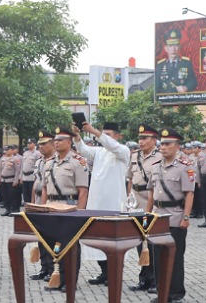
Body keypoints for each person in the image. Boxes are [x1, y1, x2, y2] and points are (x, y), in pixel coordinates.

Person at [71, 121, 130, 286]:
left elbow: (111, 145)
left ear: (118, 136)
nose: (104, 138)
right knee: (97, 240)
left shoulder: (123, 151)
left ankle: (115, 274)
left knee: (113, 241)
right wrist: (77, 135)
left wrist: (95, 132)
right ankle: (104, 272)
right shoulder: (98, 152)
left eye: (109, 135)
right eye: (104, 134)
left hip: (113, 204)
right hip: (97, 203)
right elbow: (83, 150)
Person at [146, 128, 195, 303]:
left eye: (167, 144)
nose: (163, 147)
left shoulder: (184, 167)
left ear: (177, 147)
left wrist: (186, 217)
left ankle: (176, 293)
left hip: (175, 216)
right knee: (158, 256)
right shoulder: (156, 166)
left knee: (175, 256)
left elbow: (189, 194)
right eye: (162, 144)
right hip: (157, 217)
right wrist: (148, 214)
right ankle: (162, 292)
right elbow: (151, 194)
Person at [41, 126, 89, 292]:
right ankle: (58, 277)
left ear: (69, 142)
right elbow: (45, 189)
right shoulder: (49, 163)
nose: (56, 143)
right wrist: (42, 209)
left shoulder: (78, 162)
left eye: (60, 140)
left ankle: (70, 281)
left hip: (70, 208)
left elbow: (83, 191)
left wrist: (80, 215)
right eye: (55, 140)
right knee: (56, 246)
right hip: (52, 208)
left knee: (70, 246)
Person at [126, 124, 161, 292]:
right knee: (140, 241)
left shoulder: (160, 156)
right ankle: (144, 278)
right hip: (137, 201)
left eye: (145, 138)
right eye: (139, 138)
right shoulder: (134, 156)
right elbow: (130, 179)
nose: (141, 142)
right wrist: (129, 198)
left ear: (154, 140)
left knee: (152, 242)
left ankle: (155, 279)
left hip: (151, 200)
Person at [30, 130, 56, 281]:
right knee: (41, 237)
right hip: (39, 201)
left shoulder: (54, 161)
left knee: (51, 238)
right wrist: (33, 203)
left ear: (52, 144)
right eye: (39, 144)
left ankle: (53, 268)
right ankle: (44, 267)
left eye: (44, 144)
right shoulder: (39, 161)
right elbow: (36, 183)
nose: (41, 146)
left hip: (51, 203)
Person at [156, 29, 197, 93]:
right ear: (166, 48)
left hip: (182, 100)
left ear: (179, 47)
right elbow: (156, 88)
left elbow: (193, 82)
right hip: (165, 101)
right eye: (170, 46)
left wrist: (186, 87)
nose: (173, 49)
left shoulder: (186, 63)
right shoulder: (160, 66)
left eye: (175, 45)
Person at [21, 138, 41, 204]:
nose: (29, 145)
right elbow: (22, 165)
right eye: (28, 143)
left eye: (30, 143)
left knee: (32, 193)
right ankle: (26, 207)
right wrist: (21, 177)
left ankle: (32, 207)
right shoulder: (25, 153)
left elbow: (38, 165)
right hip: (25, 176)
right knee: (25, 194)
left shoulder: (37, 153)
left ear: (34, 144)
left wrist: (36, 174)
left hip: (32, 176)